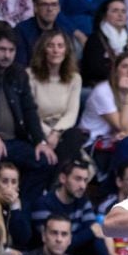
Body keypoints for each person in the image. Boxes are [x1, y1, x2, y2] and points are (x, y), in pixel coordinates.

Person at [0, 23, 57, 204]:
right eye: (2, 49)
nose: (7, 55)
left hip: (13, 141)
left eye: (11, 50)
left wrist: (40, 141)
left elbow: (29, 109)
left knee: (45, 161)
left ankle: (21, 208)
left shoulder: (19, 73)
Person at [32, 159, 121, 255]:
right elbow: (53, 243)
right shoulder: (44, 203)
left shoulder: (82, 201)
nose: (82, 185)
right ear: (63, 178)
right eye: (77, 179)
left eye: (86, 180)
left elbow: (97, 235)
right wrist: (88, 233)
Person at [27, 29, 85, 164]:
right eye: (50, 45)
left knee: (73, 136)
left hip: (61, 131)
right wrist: (48, 134)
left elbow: (71, 114)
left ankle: (59, 181)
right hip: (37, 129)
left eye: (60, 46)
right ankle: (59, 181)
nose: (55, 50)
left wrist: (56, 133)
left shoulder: (75, 78)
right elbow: (30, 113)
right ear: (43, 50)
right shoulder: (29, 75)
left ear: (66, 50)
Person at [79, 51, 128, 150]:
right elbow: (122, 126)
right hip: (92, 144)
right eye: (125, 66)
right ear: (115, 71)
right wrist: (127, 95)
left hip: (115, 143)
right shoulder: (102, 91)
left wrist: (127, 135)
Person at [79, 0, 128, 88]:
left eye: (123, 11)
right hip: (97, 87)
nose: (120, 15)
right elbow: (95, 70)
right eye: (115, 11)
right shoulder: (95, 40)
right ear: (105, 16)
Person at [14, 0, 72, 67]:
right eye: (45, 4)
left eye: (54, 4)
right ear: (35, 7)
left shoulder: (65, 31)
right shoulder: (21, 30)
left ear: (59, 8)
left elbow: (70, 64)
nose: (50, 9)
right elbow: (20, 67)